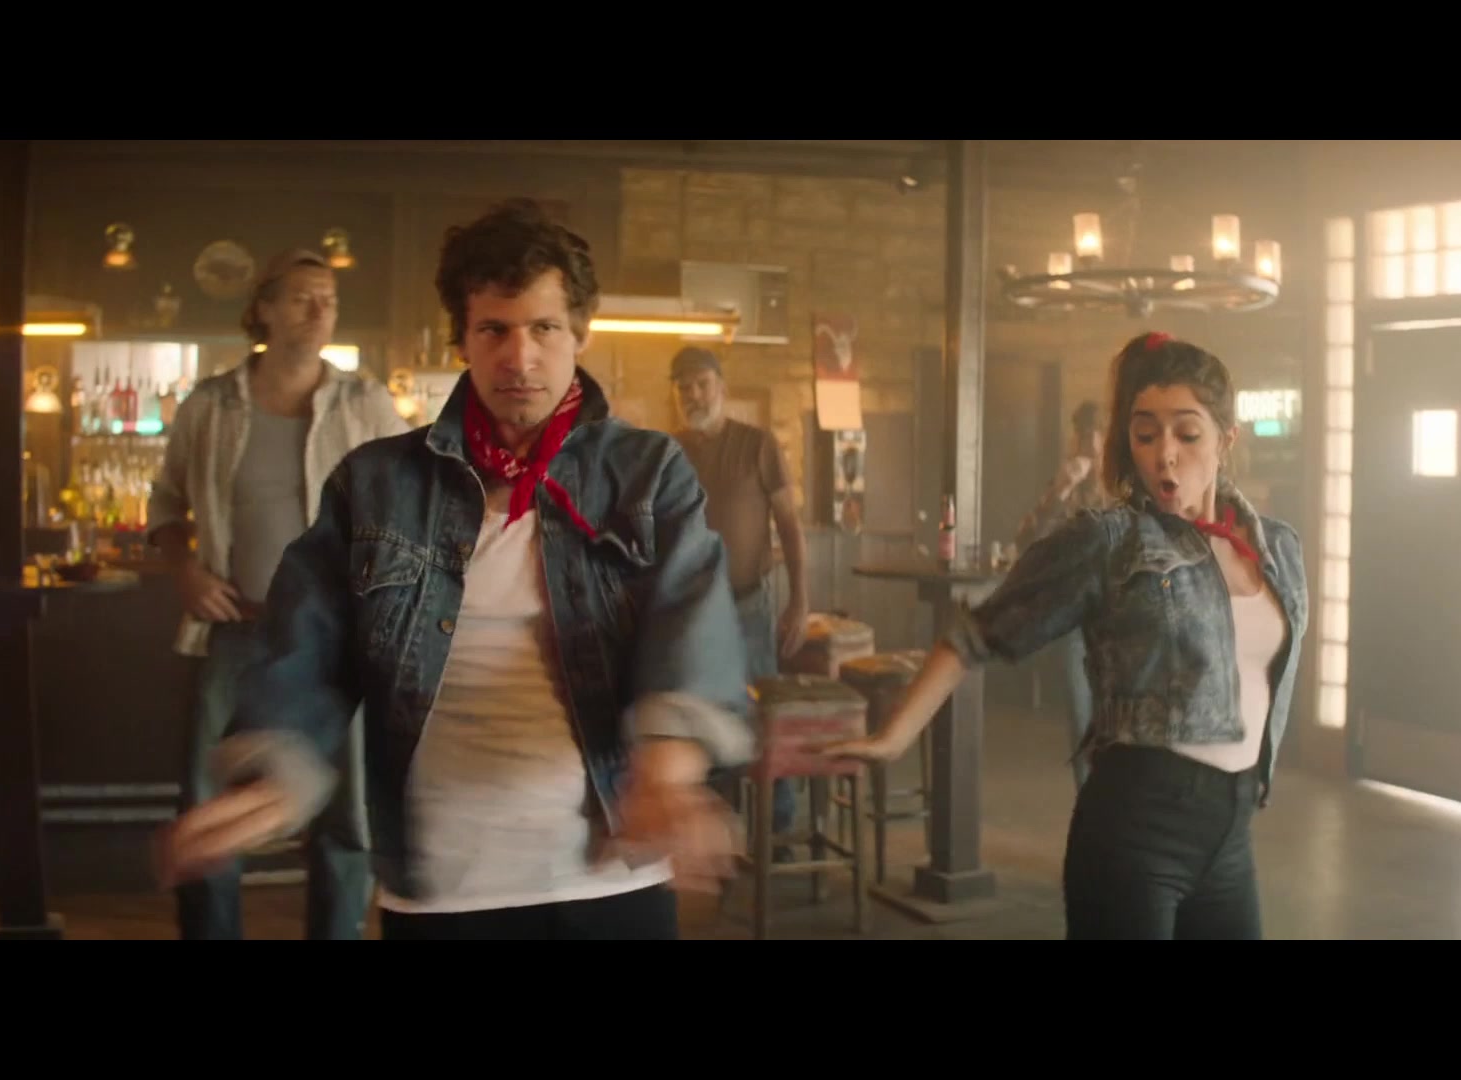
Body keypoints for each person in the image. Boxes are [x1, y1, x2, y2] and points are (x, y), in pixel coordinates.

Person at [155, 199, 755, 941]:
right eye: (494, 329)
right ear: (463, 339)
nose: (519, 357)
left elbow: (688, 614)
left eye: (544, 328)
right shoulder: (377, 485)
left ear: (580, 333)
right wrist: (281, 764)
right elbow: (308, 642)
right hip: (444, 887)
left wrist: (668, 766)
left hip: (612, 870)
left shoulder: (646, 472)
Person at [828, 332, 1309, 940]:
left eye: (1187, 434)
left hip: (1231, 835)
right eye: (1145, 435)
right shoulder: (1109, 541)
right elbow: (979, 631)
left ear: (1225, 439)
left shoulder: (1279, 549)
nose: (1165, 455)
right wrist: (894, 736)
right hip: (1136, 830)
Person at [148, 247, 411, 940]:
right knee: (210, 807)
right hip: (236, 628)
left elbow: (412, 507)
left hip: (339, 640)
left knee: (346, 816)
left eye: (330, 299)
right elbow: (165, 502)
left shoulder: (364, 402)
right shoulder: (210, 406)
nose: (321, 310)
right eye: (302, 297)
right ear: (263, 309)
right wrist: (185, 571)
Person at [670, 346, 809, 837]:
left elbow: (789, 525)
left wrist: (800, 600)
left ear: (722, 388)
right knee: (701, 716)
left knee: (761, 714)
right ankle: (717, 833)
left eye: (701, 384)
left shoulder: (757, 444)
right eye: (684, 387)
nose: (693, 394)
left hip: (748, 603)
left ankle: (777, 829)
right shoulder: (670, 453)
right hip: (690, 612)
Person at [1015, 399, 1107, 789]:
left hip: (1121, 623)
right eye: (1083, 436)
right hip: (1075, 624)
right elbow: (1026, 541)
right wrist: (1060, 490)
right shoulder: (1066, 489)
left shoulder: (1123, 489)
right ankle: (1091, 809)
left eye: (1097, 435)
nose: (1090, 445)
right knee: (1082, 724)